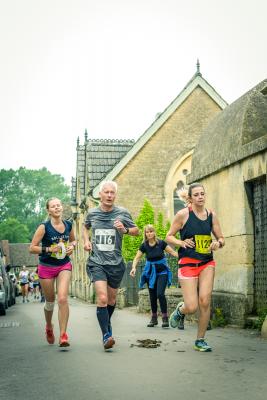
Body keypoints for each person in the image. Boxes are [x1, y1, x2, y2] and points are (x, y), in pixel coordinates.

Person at [166, 182, 225, 352]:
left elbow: (221, 238)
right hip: (187, 263)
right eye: (196, 195)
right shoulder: (183, 215)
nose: (200, 197)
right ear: (190, 199)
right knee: (192, 307)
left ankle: (200, 339)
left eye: (202, 194)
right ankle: (180, 310)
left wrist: (217, 243)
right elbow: (169, 237)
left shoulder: (211, 215)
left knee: (205, 301)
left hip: (207, 262)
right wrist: (181, 242)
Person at [83, 181, 139, 350]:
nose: (109, 195)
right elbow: (85, 227)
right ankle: (106, 335)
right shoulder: (92, 214)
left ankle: (107, 326)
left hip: (115, 263)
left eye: (112, 193)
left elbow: (137, 230)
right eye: (106, 192)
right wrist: (86, 241)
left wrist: (125, 230)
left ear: (115, 195)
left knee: (112, 299)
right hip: (97, 262)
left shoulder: (122, 213)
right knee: (102, 298)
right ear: (100, 195)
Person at [29, 198, 76, 348]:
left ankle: (63, 335)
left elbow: (74, 241)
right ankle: (49, 326)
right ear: (48, 211)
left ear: (62, 208)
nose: (57, 208)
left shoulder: (69, 224)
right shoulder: (44, 227)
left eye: (59, 205)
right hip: (46, 267)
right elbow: (32, 247)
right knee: (50, 302)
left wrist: (72, 247)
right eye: (53, 206)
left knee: (62, 298)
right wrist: (49, 249)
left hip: (64, 265)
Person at [130, 224, 178, 328]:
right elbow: (137, 258)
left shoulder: (161, 243)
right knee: (152, 296)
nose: (149, 233)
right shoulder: (144, 245)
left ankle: (165, 317)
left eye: (151, 231)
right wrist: (133, 268)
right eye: (147, 232)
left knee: (160, 294)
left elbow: (173, 252)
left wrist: (184, 257)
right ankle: (154, 318)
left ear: (154, 232)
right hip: (150, 273)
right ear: (145, 234)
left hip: (162, 272)